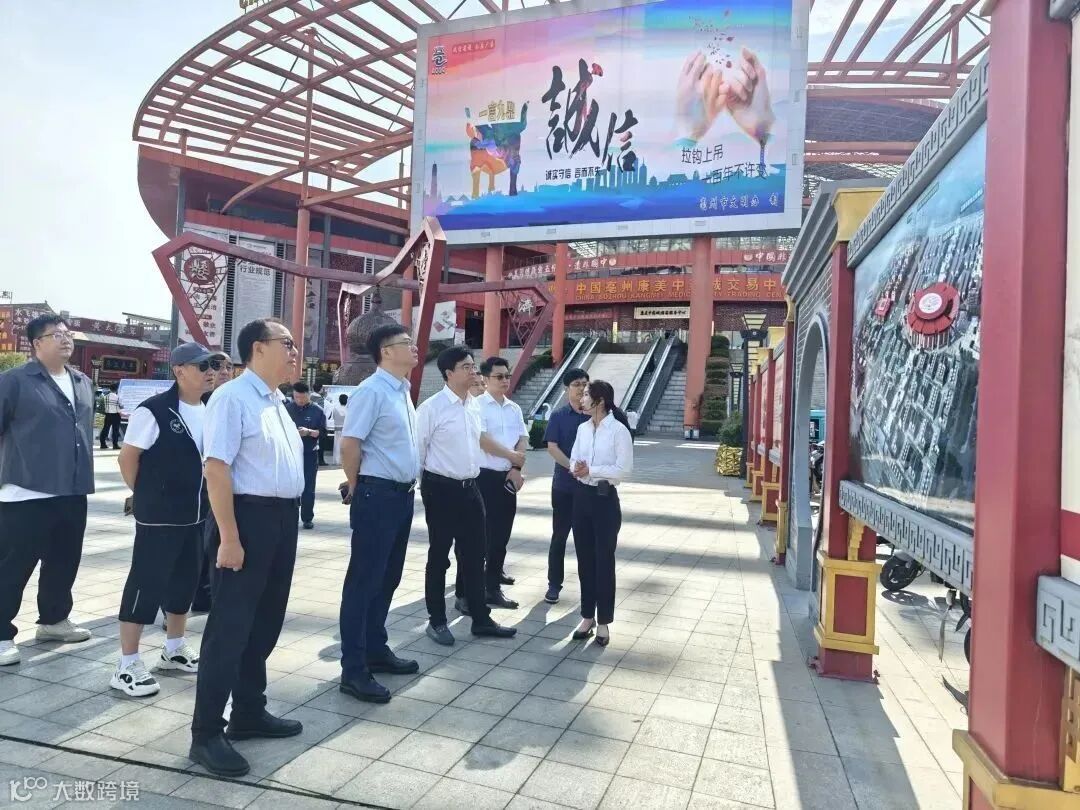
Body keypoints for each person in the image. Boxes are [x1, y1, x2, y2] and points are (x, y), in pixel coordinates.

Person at [189, 318, 305, 778]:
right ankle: (205, 734)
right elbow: (216, 469)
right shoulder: (232, 398)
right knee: (229, 630)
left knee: (265, 622)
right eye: (286, 343)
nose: (294, 351)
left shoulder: (276, 401)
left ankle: (249, 711)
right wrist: (230, 538)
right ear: (258, 348)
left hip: (281, 520)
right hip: (246, 521)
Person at [113, 343, 216, 697]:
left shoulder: (209, 409)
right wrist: (147, 494)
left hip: (197, 515)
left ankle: (174, 648)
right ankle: (127, 664)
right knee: (146, 585)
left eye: (212, 365)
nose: (210, 372)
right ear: (180, 370)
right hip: (159, 518)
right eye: (202, 366)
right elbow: (128, 459)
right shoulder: (154, 411)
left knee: (185, 582)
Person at [0, 315, 95, 666]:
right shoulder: (14, 381)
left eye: (68, 334)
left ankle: (54, 620)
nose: (65, 339)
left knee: (63, 561)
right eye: (56, 335)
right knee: (13, 567)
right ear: (37, 343)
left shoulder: (82, 381)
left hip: (72, 490)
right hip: (26, 492)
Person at [337, 324, 422, 704]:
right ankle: (353, 669)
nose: (414, 347)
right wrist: (356, 485)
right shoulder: (371, 391)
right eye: (406, 343)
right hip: (377, 495)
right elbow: (350, 443)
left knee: (388, 578)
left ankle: (375, 647)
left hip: (401, 496)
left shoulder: (401, 391)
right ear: (386, 352)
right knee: (363, 582)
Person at [416, 346, 516, 646]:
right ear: (449, 373)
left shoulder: (473, 405)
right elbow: (418, 452)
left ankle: (481, 619)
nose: (474, 372)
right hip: (441, 489)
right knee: (439, 557)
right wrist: (425, 490)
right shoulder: (431, 408)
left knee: (475, 555)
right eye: (467, 367)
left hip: (471, 489)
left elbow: (478, 442)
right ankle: (437, 621)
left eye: (474, 366)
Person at [569, 380, 633, 648]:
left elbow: (623, 469)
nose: (581, 398)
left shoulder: (618, 430)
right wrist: (576, 468)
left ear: (600, 400)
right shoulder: (582, 428)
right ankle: (587, 616)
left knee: (604, 560)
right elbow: (574, 458)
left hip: (605, 500)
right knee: (584, 560)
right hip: (581, 497)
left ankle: (604, 621)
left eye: (586, 395)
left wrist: (592, 470)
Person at [474, 356, 527, 608]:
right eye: (499, 376)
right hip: (483, 477)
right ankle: (473, 588)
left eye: (507, 375)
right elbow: (482, 440)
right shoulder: (477, 406)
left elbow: (523, 439)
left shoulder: (514, 408)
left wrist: (516, 467)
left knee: (501, 535)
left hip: (507, 478)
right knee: (480, 536)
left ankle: (493, 587)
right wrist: (511, 456)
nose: (505, 380)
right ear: (485, 379)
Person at [542, 368, 591, 605]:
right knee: (560, 536)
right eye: (576, 384)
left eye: (585, 384)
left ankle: (589, 587)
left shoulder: (595, 415)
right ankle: (554, 584)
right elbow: (552, 447)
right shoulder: (559, 416)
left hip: (590, 487)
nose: (581, 388)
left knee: (587, 540)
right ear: (566, 389)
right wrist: (572, 467)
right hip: (564, 487)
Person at [285, 381, 326, 530]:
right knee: (290, 485)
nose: (300, 400)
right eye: (296, 397)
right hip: (290, 454)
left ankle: (307, 518)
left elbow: (323, 433)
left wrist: (308, 432)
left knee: (308, 487)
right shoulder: (287, 409)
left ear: (309, 395)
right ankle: (289, 516)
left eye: (302, 397)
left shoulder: (317, 411)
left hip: (309, 453)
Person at [311, 382, 329, 466]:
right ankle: (321, 460)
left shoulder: (310, 397)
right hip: (319, 423)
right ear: (321, 389)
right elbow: (323, 411)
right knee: (321, 443)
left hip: (310, 422)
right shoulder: (320, 399)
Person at [99, 383, 121, 450]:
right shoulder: (118, 397)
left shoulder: (105, 397)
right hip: (116, 415)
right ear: (116, 389)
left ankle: (102, 444)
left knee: (105, 429)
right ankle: (115, 445)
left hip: (107, 415)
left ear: (110, 389)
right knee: (115, 430)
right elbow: (119, 408)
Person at [331, 393, 349, 466]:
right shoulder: (349, 409)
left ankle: (336, 460)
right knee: (345, 446)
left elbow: (333, 417)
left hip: (337, 429)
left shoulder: (335, 408)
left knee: (337, 445)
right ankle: (344, 460)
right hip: (346, 430)